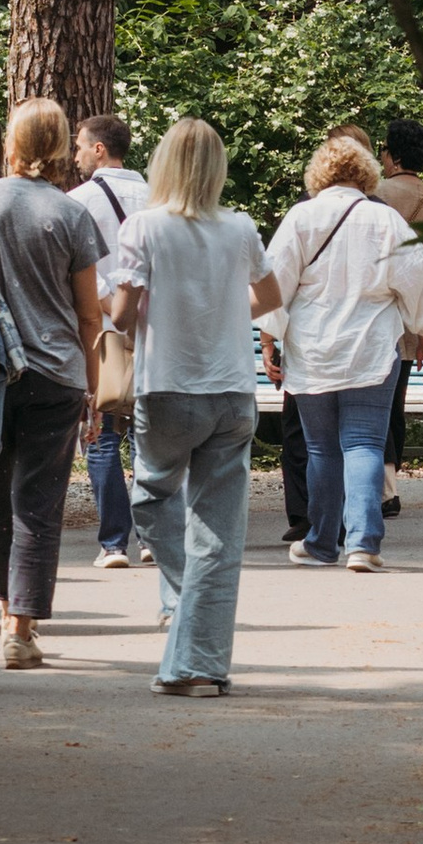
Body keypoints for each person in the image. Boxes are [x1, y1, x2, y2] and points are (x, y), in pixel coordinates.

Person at [101, 118, 281, 694]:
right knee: (219, 536)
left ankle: (188, 640)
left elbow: (122, 316)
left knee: (151, 499)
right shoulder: (241, 227)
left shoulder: (144, 228)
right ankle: (200, 659)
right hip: (232, 391)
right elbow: (272, 297)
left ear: (163, 164)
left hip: (169, 387)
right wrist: (222, 313)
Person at [0, 97, 104, 668]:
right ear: (60, 146)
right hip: (56, 374)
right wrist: (93, 387)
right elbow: (89, 314)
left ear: (11, 143)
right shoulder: (71, 214)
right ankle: (20, 624)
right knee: (39, 502)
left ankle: (9, 604)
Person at [262, 132, 423, 573]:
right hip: (372, 347)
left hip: (313, 348)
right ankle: (363, 544)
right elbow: (419, 283)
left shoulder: (301, 217)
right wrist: (421, 334)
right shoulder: (385, 221)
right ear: (368, 174)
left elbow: (274, 287)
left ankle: (322, 542)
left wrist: (269, 341)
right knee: (365, 443)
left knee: (321, 449)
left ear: (318, 174)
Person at [72, 110, 151, 570]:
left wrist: (108, 305)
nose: (77, 154)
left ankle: (113, 542)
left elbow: (77, 268)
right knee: (147, 437)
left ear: (99, 148)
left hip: (100, 332)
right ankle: (152, 537)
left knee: (101, 435)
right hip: (154, 332)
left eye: (80, 145)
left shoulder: (78, 200)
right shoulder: (159, 197)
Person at [375, 117, 423, 510]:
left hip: (377, 308)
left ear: (394, 153)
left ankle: (381, 487)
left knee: (372, 400)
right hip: (411, 310)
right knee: (395, 403)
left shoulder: (377, 193)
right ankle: (392, 484)